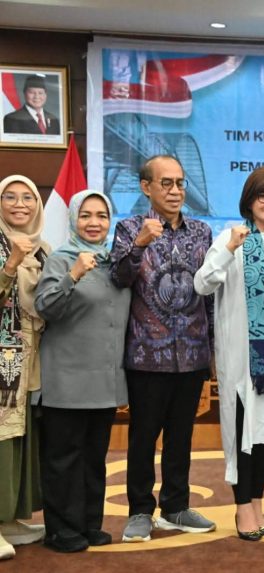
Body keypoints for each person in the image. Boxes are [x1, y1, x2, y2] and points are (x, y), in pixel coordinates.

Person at [110, 155, 216, 543]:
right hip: (147, 354)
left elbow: (209, 294)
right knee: (143, 437)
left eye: (180, 183)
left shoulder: (202, 232)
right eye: (166, 183)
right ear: (146, 187)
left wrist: (212, 348)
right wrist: (139, 245)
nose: (175, 191)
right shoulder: (129, 228)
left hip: (192, 352)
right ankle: (140, 510)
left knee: (181, 437)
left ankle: (176, 506)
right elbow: (118, 278)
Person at [194, 167, 264, 541]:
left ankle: (257, 502)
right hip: (242, 356)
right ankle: (242, 506)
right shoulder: (232, 238)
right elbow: (202, 284)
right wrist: (228, 250)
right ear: (249, 200)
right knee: (244, 429)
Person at [34, 190, 130, 552]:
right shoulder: (61, 259)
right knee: (63, 459)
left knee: (93, 459)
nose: (94, 223)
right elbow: (45, 307)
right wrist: (72, 274)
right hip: (66, 380)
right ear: (74, 219)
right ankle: (61, 530)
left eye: (101, 216)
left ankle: (90, 524)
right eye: (86, 215)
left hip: (103, 381)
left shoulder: (113, 263)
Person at [0, 175, 50, 560]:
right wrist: (12, 263)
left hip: (30, 359)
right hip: (2, 360)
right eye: (10, 197)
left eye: (28, 197)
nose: (20, 204)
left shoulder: (43, 249)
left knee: (21, 437)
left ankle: (9, 519)